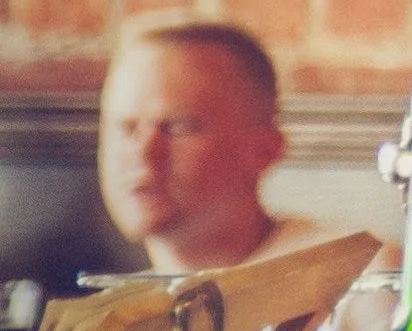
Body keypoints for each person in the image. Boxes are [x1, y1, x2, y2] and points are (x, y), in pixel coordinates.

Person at [97, 17, 326, 273]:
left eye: (178, 127)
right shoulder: (118, 309)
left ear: (265, 149)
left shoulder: (355, 289)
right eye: (127, 129)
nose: (143, 152)